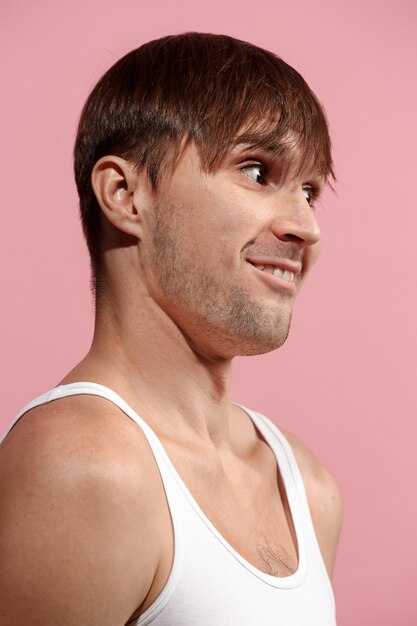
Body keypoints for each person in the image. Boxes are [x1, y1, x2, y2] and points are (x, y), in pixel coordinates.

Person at [0, 32, 343, 625]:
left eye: (310, 190)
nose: (307, 227)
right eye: (258, 171)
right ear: (125, 194)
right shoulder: (82, 464)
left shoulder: (308, 489)